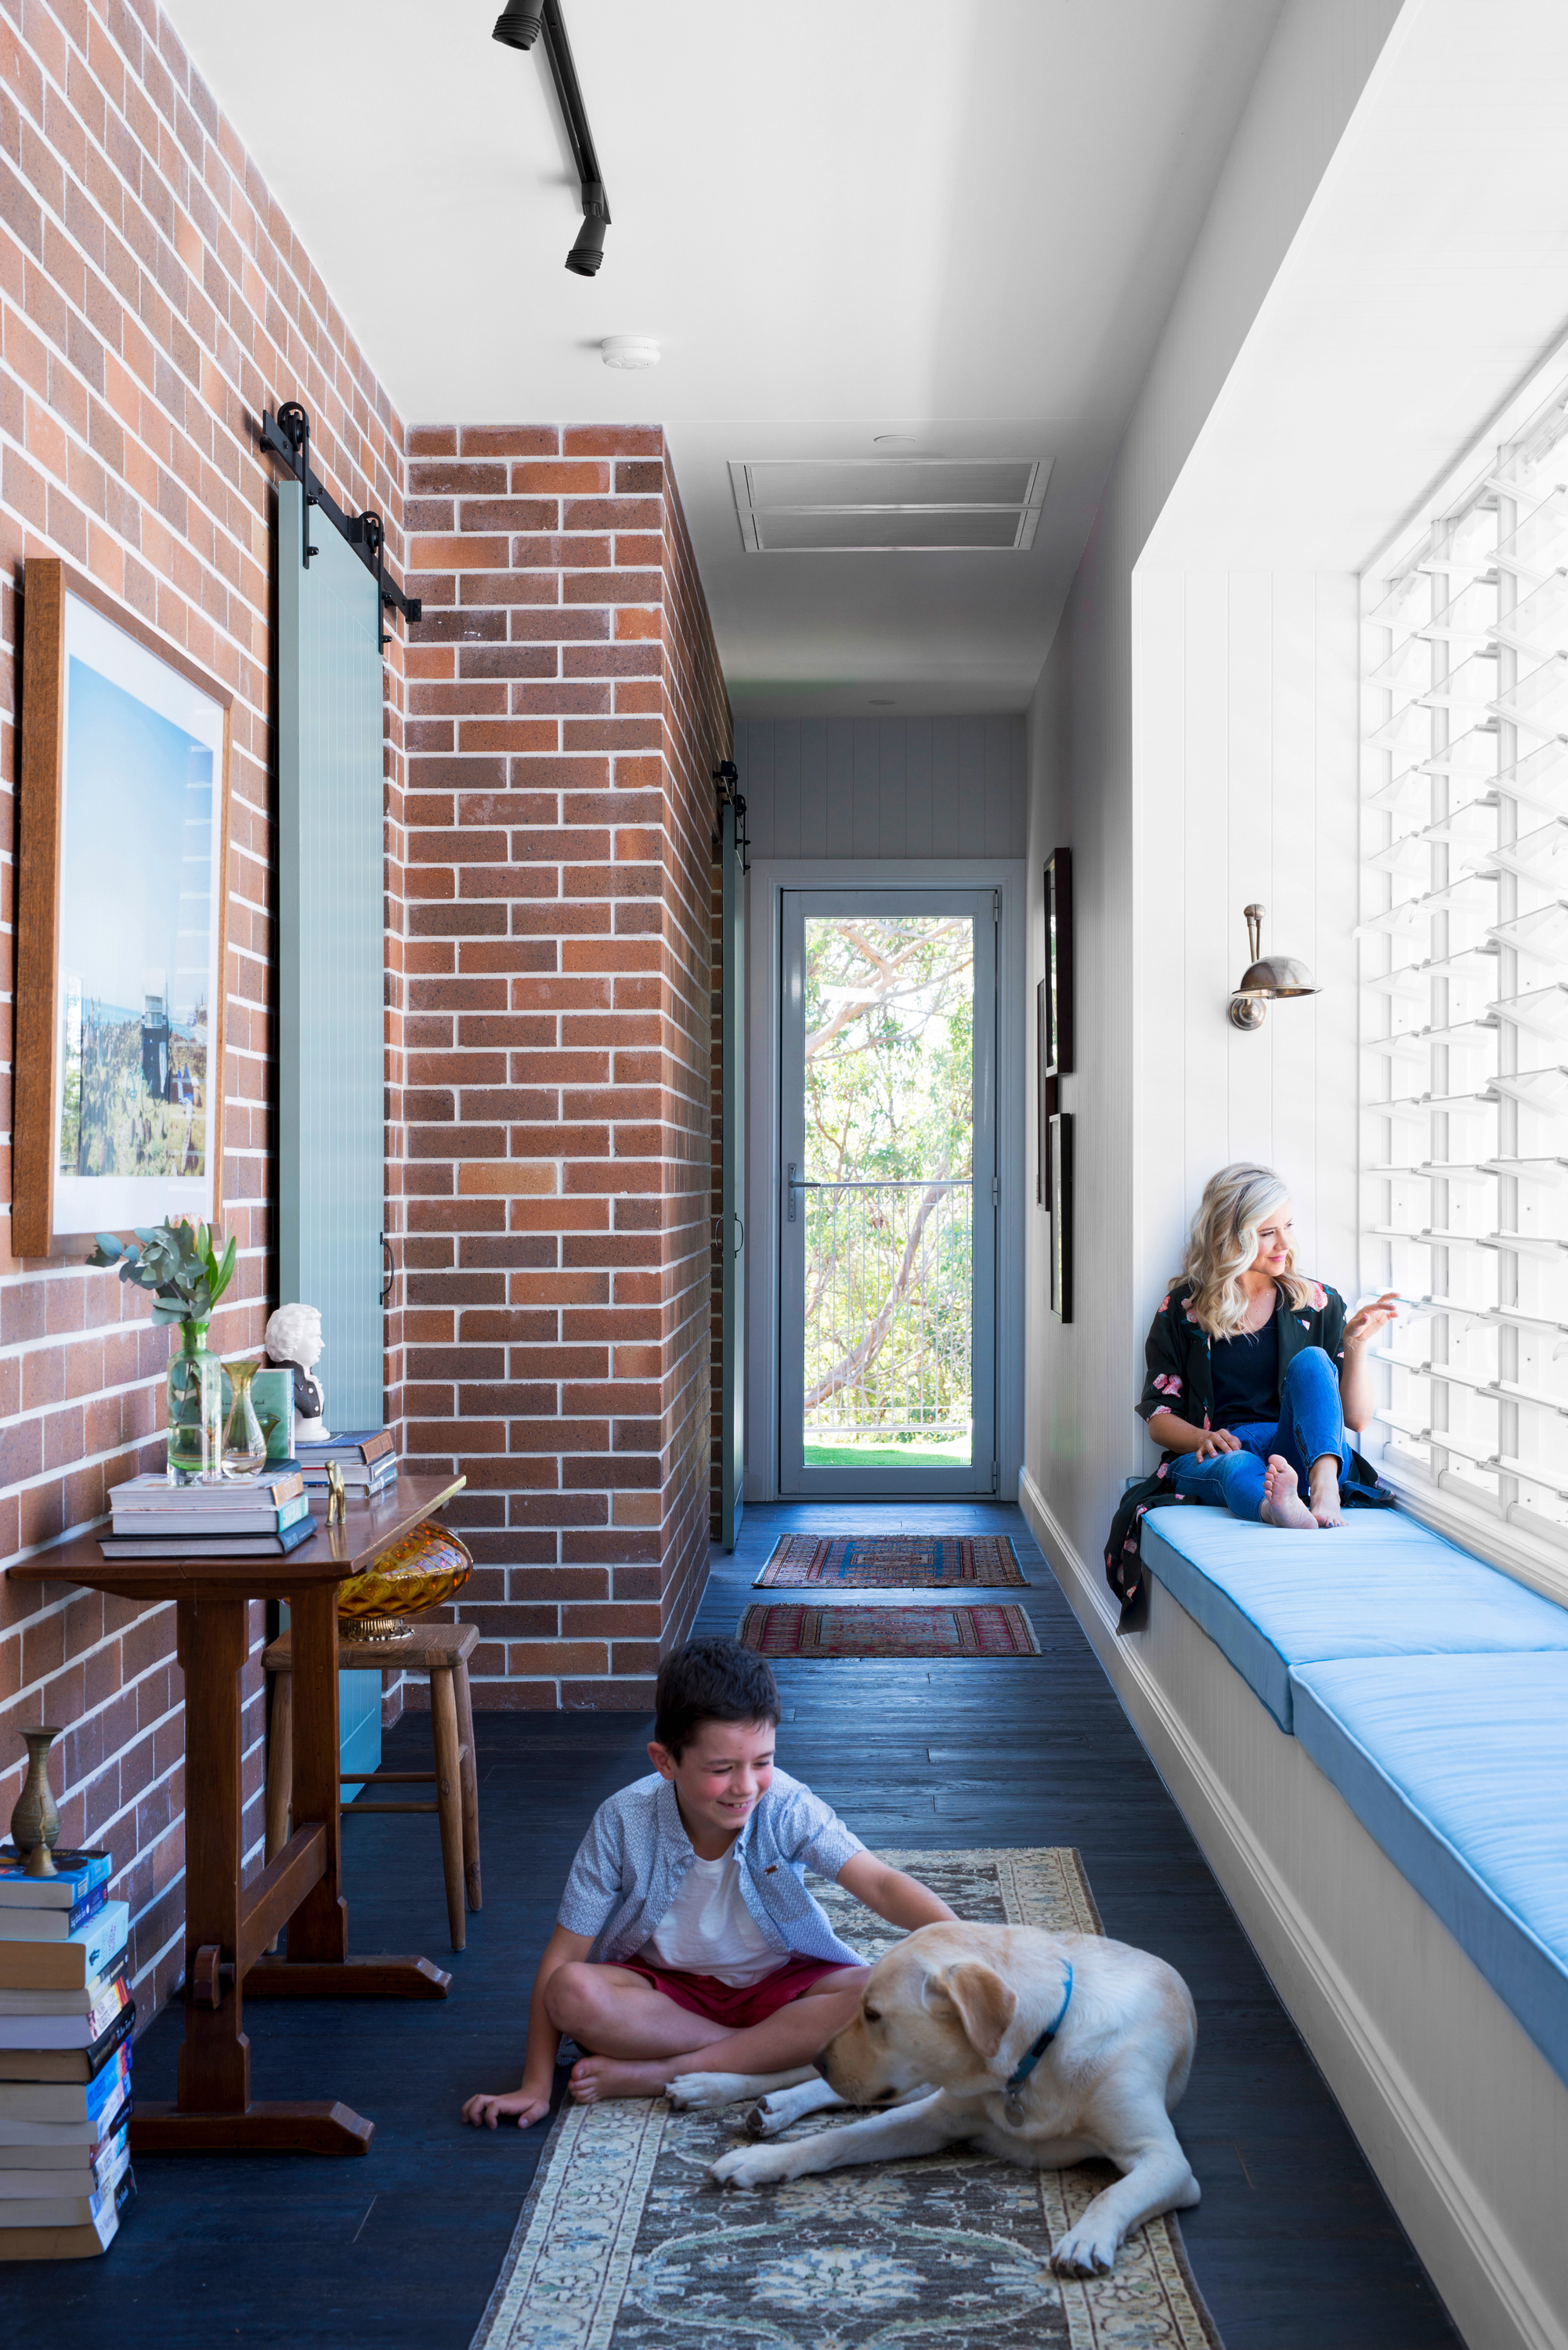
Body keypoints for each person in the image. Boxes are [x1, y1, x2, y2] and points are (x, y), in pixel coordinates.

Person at [462, 1636, 956, 2128]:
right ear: (665, 1762)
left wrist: (970, 1945)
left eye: (762, 1762)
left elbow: (881, 1885)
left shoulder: (785, 1804)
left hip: (783, 1985)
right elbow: (565, 1959)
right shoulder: (621, 1819)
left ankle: (668, 2072)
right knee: (569, 1991)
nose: (746, 1786)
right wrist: (535, 2085)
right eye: (722, 1769)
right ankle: (764, 2054)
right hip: (669, 1999)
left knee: (890, 1991)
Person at [1140, 1162, 1397, 1528]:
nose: (1285, 1243)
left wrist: (1354, 1345)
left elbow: (1355, 1419)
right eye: (1267, 1233)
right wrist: (1206, 1438)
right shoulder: (1186, 1309)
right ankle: (1276, 1509)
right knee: (1238, 1464)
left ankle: (1325, 1489)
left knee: (1312, 1359)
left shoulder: (1318, 1302)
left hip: (1303, 1452)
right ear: (1231, 1237)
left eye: (1288, 1226)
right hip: (1227, 1451)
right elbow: (1159, 1419)